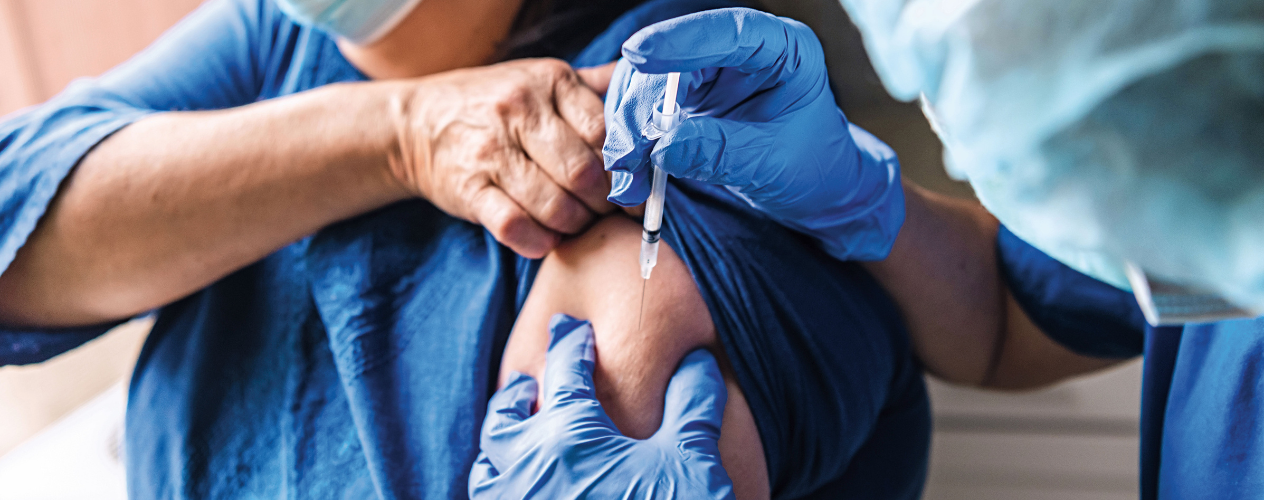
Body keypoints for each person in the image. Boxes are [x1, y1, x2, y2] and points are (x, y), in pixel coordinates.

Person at [0, 1, 936, 499]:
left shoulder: (660, 102)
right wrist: (400, 134)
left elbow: (639, 348)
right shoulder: (273, 38)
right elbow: (18, 222)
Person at [478, 5, 1264, 500]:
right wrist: (866, 202)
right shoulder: (1206, 167)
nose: (961, 145)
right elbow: (1006, 319)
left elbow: (637, 365)